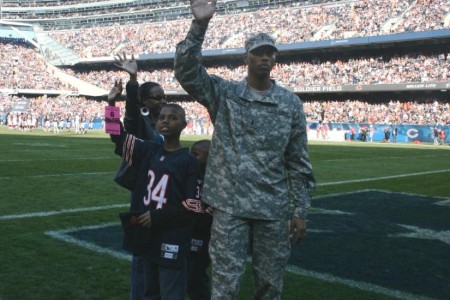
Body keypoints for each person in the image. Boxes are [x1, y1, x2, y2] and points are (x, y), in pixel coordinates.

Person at [174, 1, 316, 299]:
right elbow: (186, 73)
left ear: (275, 59)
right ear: (246, 58)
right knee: (225, 283)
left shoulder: (290, 104)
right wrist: (199, 26)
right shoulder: (225, 93)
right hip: (229, 207)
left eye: (270, 53)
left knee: (270, 284)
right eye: (258, 53)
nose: (265, 58)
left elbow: (298, 162)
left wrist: (301, 211)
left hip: (272, 209)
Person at [110, 103, 204, 300]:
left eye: (173, 117)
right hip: (146, 235)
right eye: (162, 117)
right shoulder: (149, 150)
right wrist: (111, 105)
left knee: (171, 292)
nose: (166, 121)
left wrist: (157, 216)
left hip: (171, 237)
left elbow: (192, 205)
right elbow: (117, 136)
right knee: (149, 292)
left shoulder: (188, 162)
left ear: (185, 125)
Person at [108, 54, 167, 300]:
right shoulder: (138, 120)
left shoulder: (164, 121)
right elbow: (117, 132)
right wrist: (131, 81)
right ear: (144, 100)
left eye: (164, 96)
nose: (162, 101)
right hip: (144, 191)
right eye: (156, 97)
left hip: (165, 192)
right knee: (142, 252)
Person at [187, 140, 213, 300]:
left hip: (203, 233)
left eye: (196, 155)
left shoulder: (215, 179)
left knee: (195, 275)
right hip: (187, 229)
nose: (192, 158)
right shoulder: (190, 172)